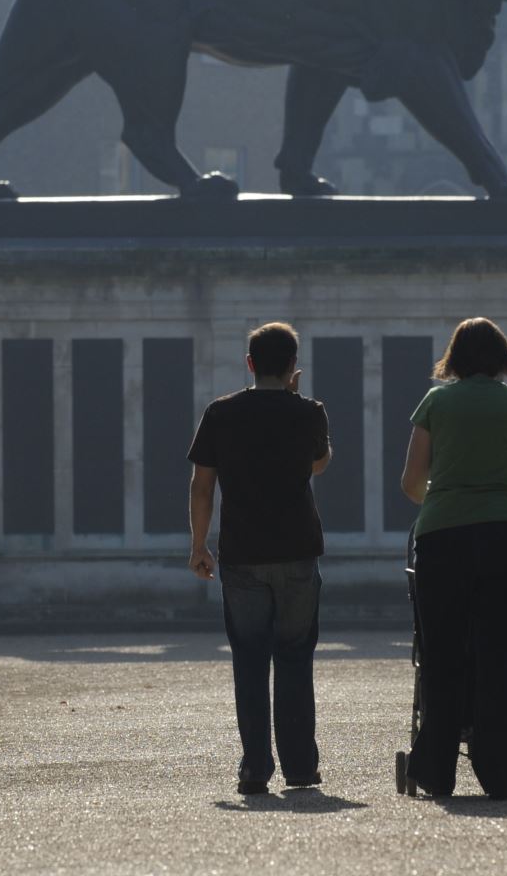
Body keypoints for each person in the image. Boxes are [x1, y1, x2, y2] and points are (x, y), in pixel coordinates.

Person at [399, 316, 507, 799]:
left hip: (445, 537)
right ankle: (498, 766)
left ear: (455, 358)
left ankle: (437, 770)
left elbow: (410, 481)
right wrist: (497, 499)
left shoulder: (436, 402)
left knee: (441, 654)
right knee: (501, 653)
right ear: (503, 357)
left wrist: (448, 501)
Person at [187, 321, 333, 796]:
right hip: (296, 550)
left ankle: (254, 767)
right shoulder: (309, 412)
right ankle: (299, 766)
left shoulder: (220, 413)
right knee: (294, 659)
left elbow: (202, 485)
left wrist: (198, 543)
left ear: (249, 363)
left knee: (249, 661)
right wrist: (296, 400)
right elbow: (318, 463)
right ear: (293, 366)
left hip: (243, 553)